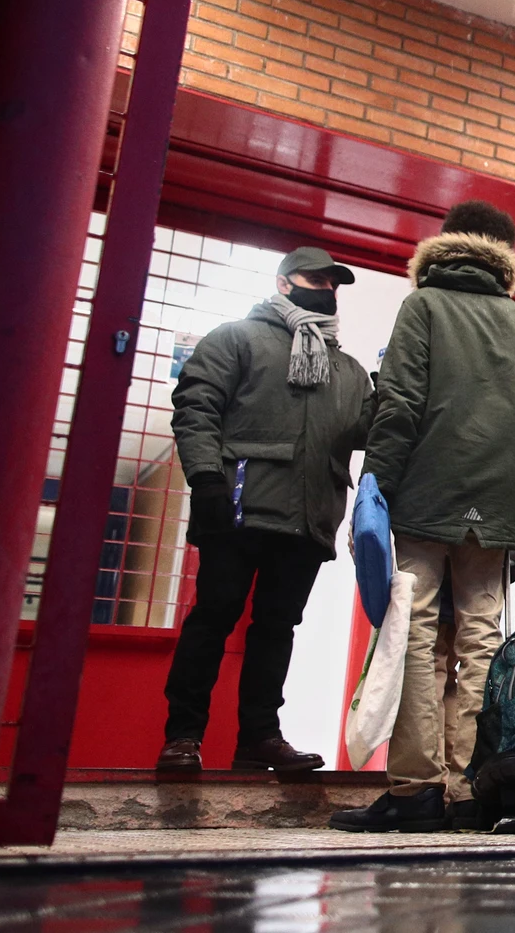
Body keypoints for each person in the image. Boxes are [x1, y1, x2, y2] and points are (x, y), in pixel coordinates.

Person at [329, 200, 515, 833]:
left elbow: (399, 405)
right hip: (496, 512)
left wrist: (372, 492)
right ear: (505, 258)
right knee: (482, 640)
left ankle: (415, 790)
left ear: (446, 245)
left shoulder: (424, 307)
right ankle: (472, 789)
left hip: (422, 504)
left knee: (413, 638)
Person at [158, 248, 373, 773]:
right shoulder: (236, 338)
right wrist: (206, 477)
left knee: (277, 628)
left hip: (307, 517)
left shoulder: (346, 368)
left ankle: (259, 738)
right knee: (214, 618)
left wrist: (392, 388)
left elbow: (367, 432)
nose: (325, 289)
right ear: (282, 284)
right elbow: (196, 405)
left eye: (332, 282)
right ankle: (182, 737)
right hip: (237, 509)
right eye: (313, 278)